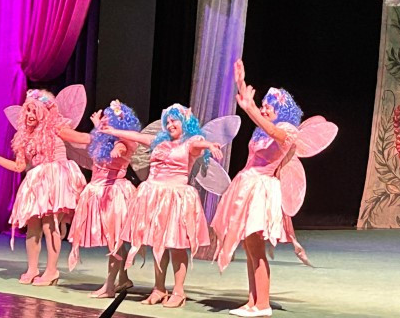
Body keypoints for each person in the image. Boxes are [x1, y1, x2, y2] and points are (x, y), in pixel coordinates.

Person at [212, 60, 336, 318]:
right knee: (249, 247)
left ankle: (263, 304)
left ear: (282, 110)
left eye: (269, 105)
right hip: (246, 185)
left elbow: (272, 130)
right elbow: (261, 123)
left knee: (256, 247)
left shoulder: (287, 130)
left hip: (261, 189)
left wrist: (250, 108)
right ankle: (252, 301)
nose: (264, 108)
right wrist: (240, 84)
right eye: (264, 105)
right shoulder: (261, 131)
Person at [100, 103, 221, 309]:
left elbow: (199, 143)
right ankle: (159, 288)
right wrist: (112, 131)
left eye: (175, 121)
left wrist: (210, 146)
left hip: (175, 197)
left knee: (176, 245)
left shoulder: (190, 142)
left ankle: (179, 291)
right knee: (157, 243)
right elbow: (135, 136)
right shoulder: (159, 141)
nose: (171, 124)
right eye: (168, 121)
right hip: (154, 195)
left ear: (185, 123)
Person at [0, 89, 86, 286]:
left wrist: (102, 133)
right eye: (28, 111)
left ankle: (52, 270)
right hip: (36, 182)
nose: (30, 115)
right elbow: (19, 166)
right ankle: (32, 268)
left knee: (50, 225)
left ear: (44, 112)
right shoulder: (24, 137)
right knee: (33, 226)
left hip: (55, 178)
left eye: (34, 111)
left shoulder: (56, 128)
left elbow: (80, 138)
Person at [60, 100, 141, 297]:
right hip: (99, 191)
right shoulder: (102, 138)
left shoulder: (123, 143)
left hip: (113, 193)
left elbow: (120, 149)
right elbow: (76, 137)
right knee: (114, 240)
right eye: (104, 117)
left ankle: (109, 287)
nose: (104, 120)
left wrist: (116, 151)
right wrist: (96, 125)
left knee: (115, 241)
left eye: (108, 119)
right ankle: (123, 278)